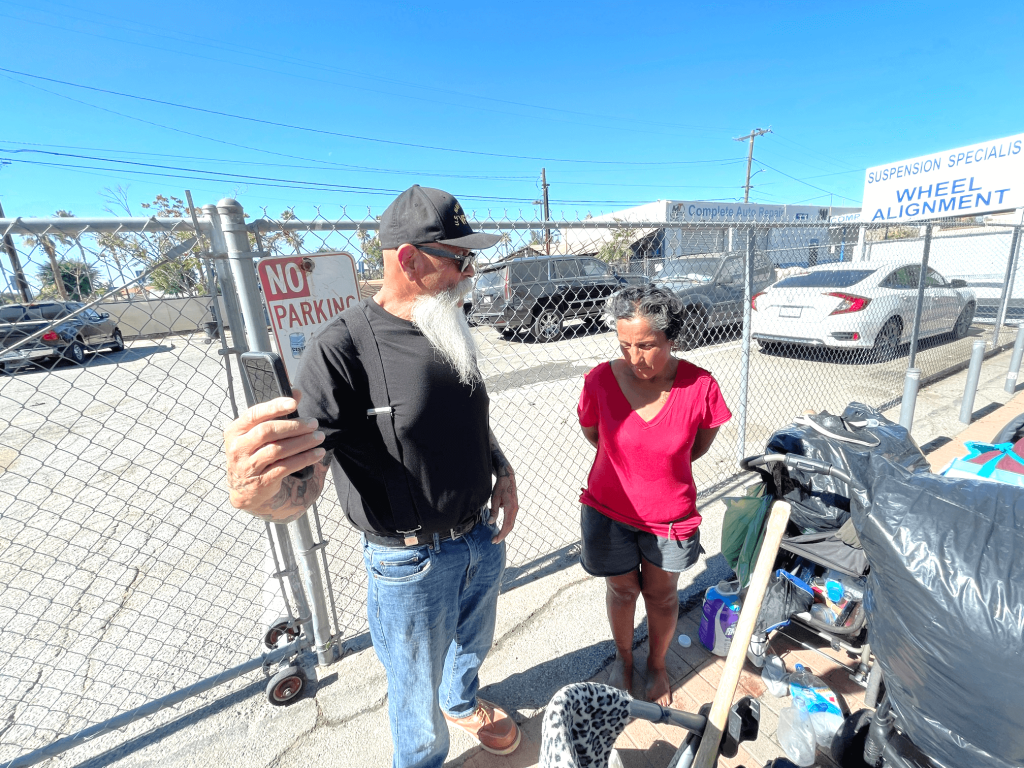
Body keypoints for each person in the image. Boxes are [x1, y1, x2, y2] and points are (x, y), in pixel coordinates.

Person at [223, 185, 521, 767]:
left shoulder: (446, 322)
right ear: (410, 260)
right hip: (410, 565)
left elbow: (467, 418)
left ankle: (461, 702)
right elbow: (303, 478)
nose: (471, 271)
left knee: (472, 647)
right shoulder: (342, 349)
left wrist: (501, 470)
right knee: (413, 700)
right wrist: (262, 495)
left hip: (478, 538)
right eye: (460, 258)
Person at [577, 285, 731, 706]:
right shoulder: (600, 381)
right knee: (622, 591)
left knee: (662, 596)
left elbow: (695, 448)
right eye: (624, 345)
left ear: (672, 338)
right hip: (609, 511)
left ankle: (658, 664)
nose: (634, 357)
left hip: (669, 519)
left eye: (646, 346)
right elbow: (597, 437)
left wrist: (657, 465)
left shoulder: (701, 387)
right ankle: (624, 660)